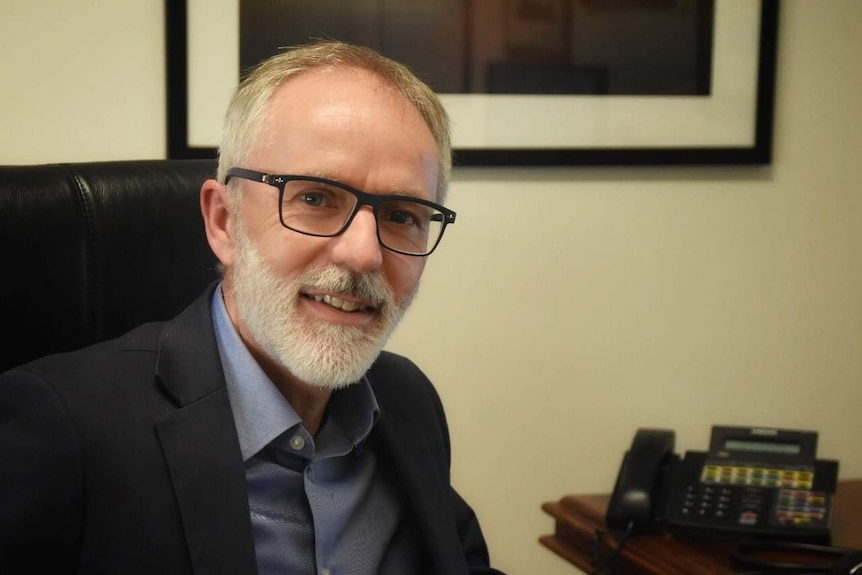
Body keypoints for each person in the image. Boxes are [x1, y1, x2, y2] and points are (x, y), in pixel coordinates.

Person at [0, 41, 503, 574]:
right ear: (223, 222)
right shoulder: (61, 429)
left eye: (402, 214)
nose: (363, 252)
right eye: (314, 198)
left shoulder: (407, 401)